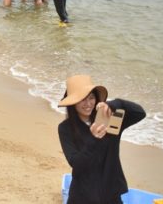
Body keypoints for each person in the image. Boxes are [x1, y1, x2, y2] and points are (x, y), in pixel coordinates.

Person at [57, 75, 146, 204]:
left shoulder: (110, 118)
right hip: (82, 196)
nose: (88, 104)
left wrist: (114, 104)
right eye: (82, 99)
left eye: (91, 98)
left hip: (111, 194)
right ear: (73, 102)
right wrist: (93, 139)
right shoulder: (66, 128)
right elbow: (77, 164)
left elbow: (140, 113)